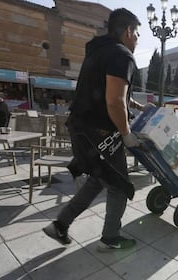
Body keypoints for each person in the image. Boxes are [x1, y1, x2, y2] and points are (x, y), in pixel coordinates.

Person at [43, 8, 144, 251]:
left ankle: (60, 225)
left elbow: (108, 91)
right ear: (129, 31)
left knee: (98, 180)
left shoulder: (98, 52)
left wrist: (138, 105)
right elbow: (113, 101)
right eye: (138, 33)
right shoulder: (123, 55)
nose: (138, 40)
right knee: (119, 184)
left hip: (80, 128)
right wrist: (126, 133)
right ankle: (110, 239)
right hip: (100, 133)